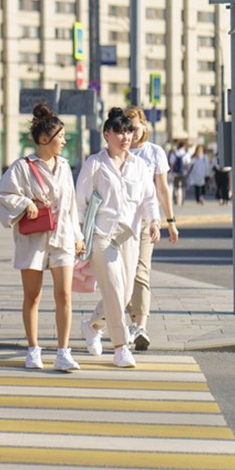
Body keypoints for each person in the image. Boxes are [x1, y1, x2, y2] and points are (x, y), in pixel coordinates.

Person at [0, 103, 84, 371]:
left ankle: (63, 351)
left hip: (63, 235)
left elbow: (71, 206)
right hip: (33, 238)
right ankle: (33, 349)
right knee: (32, 296)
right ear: (45, 140)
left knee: (65, 294)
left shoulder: (65, 166)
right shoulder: (22, 166)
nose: (64, 141)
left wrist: (77, 235)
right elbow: (1, 194)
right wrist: (24, 203)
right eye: (60, 137)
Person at [77, 108, 161, 368]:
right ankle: (121, 347)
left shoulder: (139, 165)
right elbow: (80, 201)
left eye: (128, 131)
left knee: (124, 296)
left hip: (130, 236)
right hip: (103, 236)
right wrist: (78, 235)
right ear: (107, 134)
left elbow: (149, 198)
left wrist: (155, 221)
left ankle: (91, 326)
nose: (125, 136)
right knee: (113, 287)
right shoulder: (96, 163)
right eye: (119, 132)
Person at [125, 107, 180, 351]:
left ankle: (141, 326)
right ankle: (129, 322)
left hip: (147, 220)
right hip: (122, 221)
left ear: (145, 126)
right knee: (124, 273)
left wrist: (171, 221)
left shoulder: (154, 152)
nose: (131, 134)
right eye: (127, 129)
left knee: (141, 271)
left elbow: (163, 190)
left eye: (134, 128)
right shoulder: (119, 150)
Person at [169, 141, 190, 206]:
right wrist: (187, 171)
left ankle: (176, 199)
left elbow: (171, 164)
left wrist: (171, 172)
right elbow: (187, 164)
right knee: (183, 187)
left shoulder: (174, 153)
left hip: (175, 173)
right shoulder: (186, 154)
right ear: (183, 146)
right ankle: (182, 201)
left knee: (176, 186)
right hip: (183, 173)